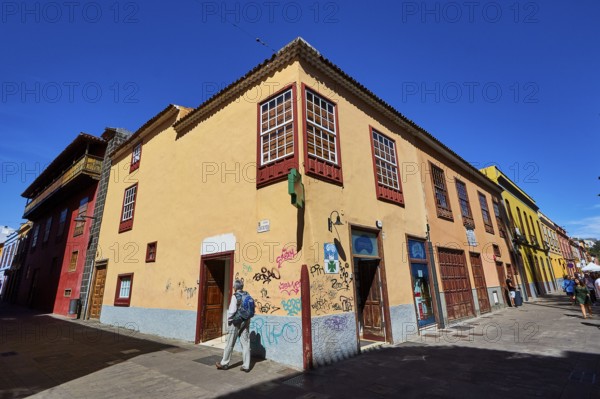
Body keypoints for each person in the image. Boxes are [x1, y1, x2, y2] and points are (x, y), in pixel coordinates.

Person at [216, 279, 251, 372]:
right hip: (246, 320)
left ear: (235, 287)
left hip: (236, 322)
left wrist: (229, 321)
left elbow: (231, 311)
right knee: (246, 343)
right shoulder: (247, 294)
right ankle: (246, 365)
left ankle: (224, 363)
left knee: (230, 343)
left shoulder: (235, 296)